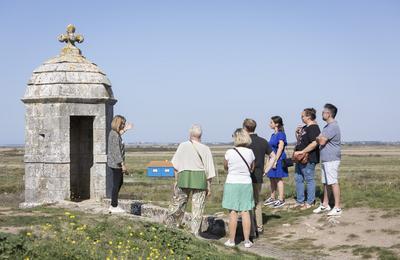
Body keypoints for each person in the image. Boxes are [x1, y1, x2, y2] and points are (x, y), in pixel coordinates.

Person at [165, 124, 216, 236]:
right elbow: (209, 171)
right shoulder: (206, 149)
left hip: (184, 177)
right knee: (198, 207)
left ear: (190, 134)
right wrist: (209, 186)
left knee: (178, 205)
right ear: (201, 135)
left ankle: (172, 227)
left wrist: (176, 180)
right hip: (200, 179)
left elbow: (174, 165)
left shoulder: (183, 146)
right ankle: (195, 232)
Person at [222, 128, 255, 248]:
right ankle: (247, 241)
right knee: (246, 211)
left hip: (232, 182)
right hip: (246, 182)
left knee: (233, 212)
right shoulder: (250, 152)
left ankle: (231, 240)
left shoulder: (229, 152)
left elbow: (225, 167)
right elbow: (252, 168)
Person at [243, 119, 275, 234]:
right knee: (256, 201)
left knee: (247, 202)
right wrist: (266, 170)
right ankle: (259, 227)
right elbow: (273, 156)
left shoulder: (244, 143)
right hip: (258, 175)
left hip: (245, 176)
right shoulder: (263, 141)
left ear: (245, 128)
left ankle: (250, 228)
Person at [314, 103, 342, 216]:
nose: (322, 113)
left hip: (331, 158)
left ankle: (337, 207)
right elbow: (320, 138)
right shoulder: (327, 126)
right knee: (326, 183)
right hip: (326, 159)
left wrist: (318, 138)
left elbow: (321, 141)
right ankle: (325, 204)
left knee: (333, 182)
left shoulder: (333, 126)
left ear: (329, 114)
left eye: (324, 111)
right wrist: (319, 138)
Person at [292, 108, 321, 210]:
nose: (301, 117)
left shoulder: (314, 128)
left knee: (309, 179)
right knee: (298, 178)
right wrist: (297, 133)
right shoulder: (305, 127)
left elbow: (315, 143)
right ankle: (300, 201)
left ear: (309, 116)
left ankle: (310, 202)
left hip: (308, 158)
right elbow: (301, 141)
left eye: (303, 116)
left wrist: (302, 151)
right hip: (300, 158)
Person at [107, 115, 133, 214]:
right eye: (122, 123)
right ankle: (114, 206)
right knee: (116, 184)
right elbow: (116, 151)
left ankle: (113, 204)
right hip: (116, 164)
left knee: (119, 182)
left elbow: (119, 135)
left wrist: (126, 129)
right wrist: (122, 165)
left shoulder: (114, 133)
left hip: (115, 163)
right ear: (118, 123)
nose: (123, 125)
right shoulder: (114, 134)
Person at [264, 116, 289, 208]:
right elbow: (270, 149)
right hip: (272, 158)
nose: (269, 124)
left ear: (276, 124)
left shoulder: (281, 134)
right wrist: (268, 161)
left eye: (271, 122)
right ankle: (272, 197)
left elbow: (280, 148)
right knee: (271, 178)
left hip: (279, 158)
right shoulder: (272, 135)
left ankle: (281, 198)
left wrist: (275, 160)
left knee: (278, 178)